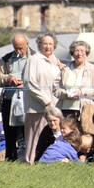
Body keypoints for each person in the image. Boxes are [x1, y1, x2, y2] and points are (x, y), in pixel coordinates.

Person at [22, 34, 62, 164]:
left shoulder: (56, 61)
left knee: (50, 136)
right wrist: (46, 101)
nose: (48, 46)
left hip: (54, 107)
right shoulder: (33, 60)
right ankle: (30, 162)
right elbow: (30, 83)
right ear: (39, 45)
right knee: (35, 137)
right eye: (45, 44)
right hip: (37, 107)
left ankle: (45, 162)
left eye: (50, 44)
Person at [0, 34, 32, 162]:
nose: (18, 51)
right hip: (9, 99)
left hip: (28, 99)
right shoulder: (6, 59)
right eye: (16, 48)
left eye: (21, 48)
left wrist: (26, 83)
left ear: (27, 45)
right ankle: (10, 158)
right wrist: (8, 78)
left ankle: (27, 158)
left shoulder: (34, 57)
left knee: (26, 131)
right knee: (9, 131)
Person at [58, 40, 94, 117]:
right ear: (72, 53)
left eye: (82, 51)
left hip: (85, 110)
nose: (79, 54)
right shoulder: (65, 69)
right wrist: (66, 94)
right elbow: (56, 89)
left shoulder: (92, 69)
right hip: (65, 109)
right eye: (77, 51)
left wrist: (81, 93)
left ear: (86, 53)